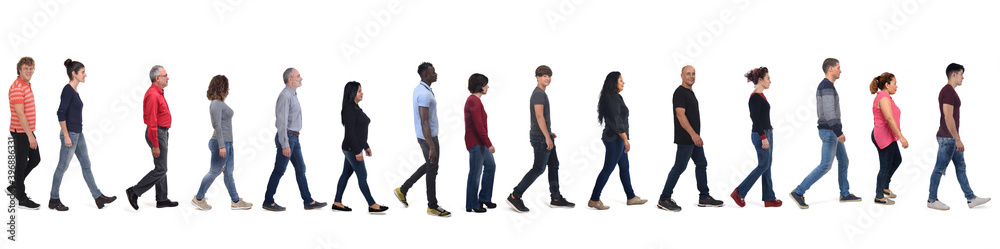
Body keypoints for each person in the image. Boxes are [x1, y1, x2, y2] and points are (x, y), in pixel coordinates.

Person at [788, 58, 861, 209]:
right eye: (838, 67)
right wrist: (838, 131)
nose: (841, 70)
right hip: (830, 131)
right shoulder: (826, 85)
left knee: (844, 161)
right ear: (830, 68)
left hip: (831, 130)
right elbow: (829, 112)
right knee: (825, 165)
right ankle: (798, 191)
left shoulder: (828, 86)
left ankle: (845, 193)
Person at [47, 59, 117, 211]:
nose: (85, 75)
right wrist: (65, 135)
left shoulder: (74, 91)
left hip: (78, 133)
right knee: (62, 167)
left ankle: (98, 197)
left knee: (86, 165)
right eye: (83, 72)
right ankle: (53, 199)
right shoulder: (67, 90)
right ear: (74, 74)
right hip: (70, 134)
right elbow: (60, 113)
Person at [506, 65, 575, 213]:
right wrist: (546, 136)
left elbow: (540, 118)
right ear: (537, 77)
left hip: (544, 135)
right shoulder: (538, 94)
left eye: (549, 76)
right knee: (538, 168)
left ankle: (556, 198)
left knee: (554, 165)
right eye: (544, 75)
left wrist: (549, 133)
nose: (547, 78)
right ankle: (515, 196)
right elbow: (539, 116)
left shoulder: (541, 93)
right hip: (540, 137)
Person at [657, 65, 724, 212]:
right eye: (688, 74)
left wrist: (696, 136)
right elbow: (680, 115)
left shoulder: (690, 92)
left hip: (694, 139)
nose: (691, 76)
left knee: (701, 163)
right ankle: (664, 198)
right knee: (679, 167)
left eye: (693, 74)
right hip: (686, 138)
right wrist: (693, 135)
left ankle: (704, 197)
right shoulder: (680, 92)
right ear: (681, 75)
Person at [927, 63, 991, 210]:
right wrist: (957, 139)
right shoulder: (948, 92)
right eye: (961, 74)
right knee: (939, 169)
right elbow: (948, 117)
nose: (963, 77)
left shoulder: (949, 91)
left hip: (950, 137)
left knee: (961, 168)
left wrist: (956, 138)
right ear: (953, 74)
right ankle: (931, 200)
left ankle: (971, 198)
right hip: (948, 138)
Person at [262, 68, 327, 211]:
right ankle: (268, 201)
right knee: (279, 170)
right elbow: (281, 122)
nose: (301, 78)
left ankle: (308, 201)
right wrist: (285, 144)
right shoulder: (285, 95)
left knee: (300, 168)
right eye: (298, 76)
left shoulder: (293, 95)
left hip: (294, 138)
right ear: (290, 79)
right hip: (287, 138)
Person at [394, 62, 451, 217]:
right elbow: (424, 121)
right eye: (433, 72)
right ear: (425, 75)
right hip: (428, 138)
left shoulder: (421, 89)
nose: (436, 74)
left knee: (429, 165)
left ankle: (403, 189)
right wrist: (431, 146)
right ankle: (432, 205)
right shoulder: (424, 94)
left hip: (426, 136)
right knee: (432, 169)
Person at [191, 75, 252, 211]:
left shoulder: (220, 103)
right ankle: (199, 198)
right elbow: (217, 126)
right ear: (222, 87)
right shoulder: (216, 104)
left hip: (228, 143)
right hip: (221, 143)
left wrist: (227, 145)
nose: (229, 89)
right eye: (227, 86)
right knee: (214, 171)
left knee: (229, 173)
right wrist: (222, 146)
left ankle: (235, 201)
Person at [588, 71, 646, 210]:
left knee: (625, 168)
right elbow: (617, 121)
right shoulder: (613, 98)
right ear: (613, 82)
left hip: (617, 138)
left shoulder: (615, 97)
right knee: (608, 169)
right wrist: (625, 140)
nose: (623, 82)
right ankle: (594, 199)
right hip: (615, 139)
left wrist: (624, 139)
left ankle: (631, 197)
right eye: (620, 80)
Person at [125, 65, 178, 210]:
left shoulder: (158, 92)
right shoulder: (153, 95)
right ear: (157, 78)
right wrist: (155, 144)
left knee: (161, 166)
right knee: (161, 168)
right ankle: (134, 191)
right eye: (165, 75)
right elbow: (152, 122)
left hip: (162, 133)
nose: (168, 78)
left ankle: (162, 199)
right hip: (157, 134)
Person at [333, 81, 388, 214]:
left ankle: (337, 202)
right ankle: (372, 204)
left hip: (353, 147)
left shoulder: (356, 107)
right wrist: (358, 151)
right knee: (362, 175)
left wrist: (366, 146)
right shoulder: (349, 109)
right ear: (352, 93)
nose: (362, 93)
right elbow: (350, 132)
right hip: (352, 149)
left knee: (345, 174)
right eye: (359, 91)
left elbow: (359, 131)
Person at [731, 67, 782, 208]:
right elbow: (755, 119)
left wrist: (768, 131)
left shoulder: (761, 95)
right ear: (760, 80)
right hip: (761, 136)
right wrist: (764, 137)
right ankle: (739, 192)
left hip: (767, 133)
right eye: (768, 78)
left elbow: (762, 117)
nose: (770, 81)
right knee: (763, 165)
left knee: (767, 166)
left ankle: (769, 198)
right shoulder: (754, 97)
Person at [8, 57, 42, 209]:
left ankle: (15, 185)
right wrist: (30, 136)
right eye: (26, 68)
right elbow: (20, 114)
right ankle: (21, 198)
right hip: (21, 132)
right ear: (19, 70)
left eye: (31, 68)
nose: (29, 71)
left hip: (26, 130)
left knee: (35, 159)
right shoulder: (17, 88)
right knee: (21, 165)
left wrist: (30, 133)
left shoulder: (26, 85)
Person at [869, 73, 907, 205]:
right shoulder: (883, 97)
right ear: (887, 84)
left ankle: (885, 186)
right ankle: (879, 195)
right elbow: (889, 119)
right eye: (894, 83)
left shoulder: (887, 97)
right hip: (883, 136)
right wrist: (901, 138)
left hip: (889, 135)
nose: (896, 86)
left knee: (897, 160)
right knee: (885, 166)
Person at [464, 73, 497, 213]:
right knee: (475, 173)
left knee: (490, 166)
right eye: (485, 84)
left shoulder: (476, 101)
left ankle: (484, 198)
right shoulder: (473, 101)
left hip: (480, 142)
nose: (488, 86)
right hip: (476, 143)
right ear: (480, 86)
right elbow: (478, 126)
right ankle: (472, 204)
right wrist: (489, 143)